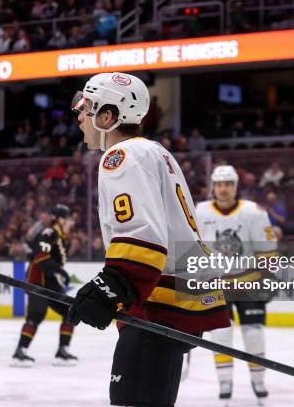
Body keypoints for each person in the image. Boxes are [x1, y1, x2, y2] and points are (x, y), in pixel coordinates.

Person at [67, 72, 230, 406]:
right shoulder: (154, 152)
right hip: (175, 299)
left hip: (160, 305)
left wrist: (114, 284)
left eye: (87, 108)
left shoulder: (121, 156)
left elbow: (142, 232)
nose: (80, 116)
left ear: (108, 117)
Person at [196, 165, 278, 404]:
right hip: (216, 284)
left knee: (254, 334)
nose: (223, 189)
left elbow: (266, 248)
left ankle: (259, 381)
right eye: (219, 184)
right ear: (213, 186)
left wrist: (268, 279)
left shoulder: (253, 212)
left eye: (228, 184)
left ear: (235, 186)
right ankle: (225, 383)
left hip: (249, 282)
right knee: (221, 334)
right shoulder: (199, 212)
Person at [12, 204, 78, 367]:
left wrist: (59, 273)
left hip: (50, 283)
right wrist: (60, 271)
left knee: (71, 312)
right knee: (36, 315)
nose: (70, 222)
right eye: (67, 218)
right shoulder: (49, 233)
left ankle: (62, 351)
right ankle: (20, 352)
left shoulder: (62, 237)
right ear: (60, 219)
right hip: (38, 281)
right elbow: (41, 258)